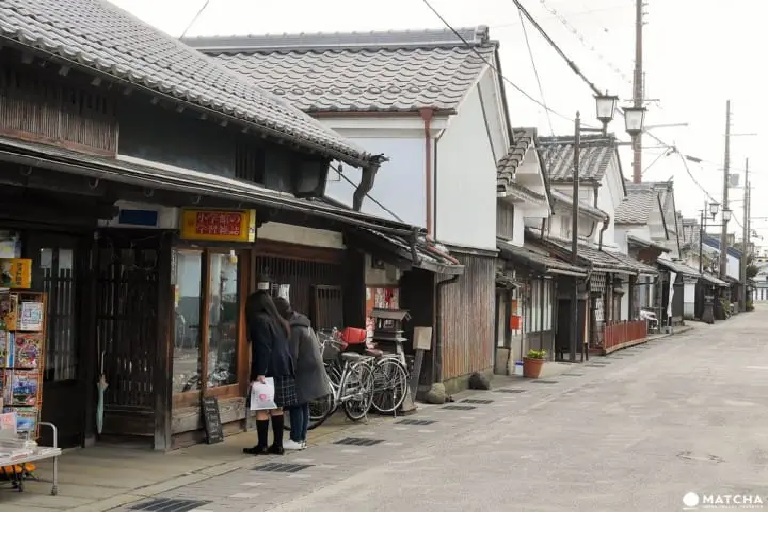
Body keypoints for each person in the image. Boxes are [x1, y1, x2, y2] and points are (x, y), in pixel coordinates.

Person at [243, 290, 298, 456]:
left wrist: (260, 373)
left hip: (268, 370)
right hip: (283, 368)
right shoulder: (279, 320)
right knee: (277, 408)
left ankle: (262, 446)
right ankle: (278, 445)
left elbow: (263, 348)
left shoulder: (259, 320)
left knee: (262, 408)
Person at [274, 297, 329, 450]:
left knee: (296, 404)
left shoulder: (294, 328)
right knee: (303, 404)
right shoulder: (303, 323)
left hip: (302, 370)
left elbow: (292, 355)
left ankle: (296, 438)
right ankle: (301, 438)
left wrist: (285, 371)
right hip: (310, 368)